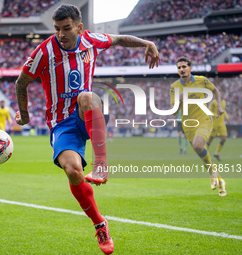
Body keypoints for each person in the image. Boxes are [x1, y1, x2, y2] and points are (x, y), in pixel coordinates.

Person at [15, 4, 160, 254]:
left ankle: (101, 164)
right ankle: (100, 224)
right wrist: (25, 116)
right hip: (61, 124)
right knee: (73, 171)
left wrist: (146, 42)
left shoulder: (91, 40)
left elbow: (120, 39)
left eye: (66, 28)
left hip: (86, 113)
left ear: (79, 28)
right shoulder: (44, 51)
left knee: (87, 96)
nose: (61, 34)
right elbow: (22, 81)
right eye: (57, 29)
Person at [170, 56, 226, 196]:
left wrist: (218, 105)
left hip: (204, 119)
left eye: (184, 67)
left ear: (190, 68)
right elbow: (173, 111)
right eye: (179, 68)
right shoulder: (175, 87)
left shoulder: (202, 80)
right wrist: (178, 100)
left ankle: (212, 172)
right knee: (201, 151)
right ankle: (220, 181)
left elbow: (216, 91)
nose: (182, 69)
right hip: (188, 125)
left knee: (198, 145)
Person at [206, 95, 229, 161]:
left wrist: (226, 116)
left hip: (221, 123)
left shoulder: (224, 102)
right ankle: (206, 156)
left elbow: (223, 110)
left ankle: (216, 153)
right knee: (210, 139)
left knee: (224, 138)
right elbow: (208, 111)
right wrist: (215, 115)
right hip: (214, 123)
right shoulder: (213, 102)